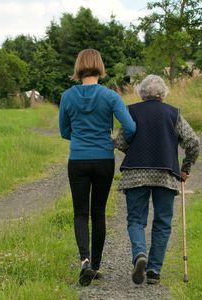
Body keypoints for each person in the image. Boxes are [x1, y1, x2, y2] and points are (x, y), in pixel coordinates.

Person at [59, 49, 136, 286]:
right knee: (98, 213)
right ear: (100, 66)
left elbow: (64, 131)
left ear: (79, 67)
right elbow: (131, 127)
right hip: (104, 159)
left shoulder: (67, 96)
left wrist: (81, 138)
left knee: (80, 213)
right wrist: (113, 141)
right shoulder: (110, 96)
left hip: (78, 160)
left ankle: (84, 261)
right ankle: (96, 265)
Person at [114, 74, 200, 285]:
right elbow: (193, 142)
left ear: (141, 92)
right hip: (166, 173)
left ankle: (139, 254)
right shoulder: (173, 113)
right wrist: (185, 168)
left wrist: (133, 148)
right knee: (162, 222)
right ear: (163, 93)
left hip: (135, 173)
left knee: (135, 219)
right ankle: (153, 271)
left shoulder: (131, 111)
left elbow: (121, 142)